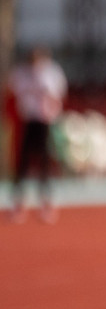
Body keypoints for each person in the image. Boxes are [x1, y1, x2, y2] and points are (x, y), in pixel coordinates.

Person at [9, 46, 67, 223]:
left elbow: (57, 95)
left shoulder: (52, 73)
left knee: (44, 162)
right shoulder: (21, 74)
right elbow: (14, 91)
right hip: (27, 121)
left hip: (44, 122)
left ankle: (46, 203)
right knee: (23, 163)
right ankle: (18, 204)